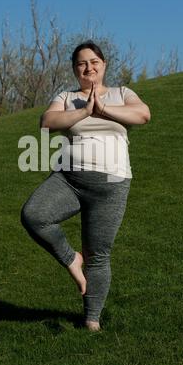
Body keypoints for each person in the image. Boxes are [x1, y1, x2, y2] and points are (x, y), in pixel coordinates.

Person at [21, 40, 151, 331]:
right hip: (69, 180)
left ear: (103, 65)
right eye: (81, 63)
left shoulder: (122, 93)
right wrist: (84, 111)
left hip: (112, 184)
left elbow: (143, 115)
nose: (88, 67)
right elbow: (47, 121)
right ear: (75, 69)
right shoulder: (66, 97)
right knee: (34, 215)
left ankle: (92, 321)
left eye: (94, 61)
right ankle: (71, 259)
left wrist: (104, 109)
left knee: (99, 254)